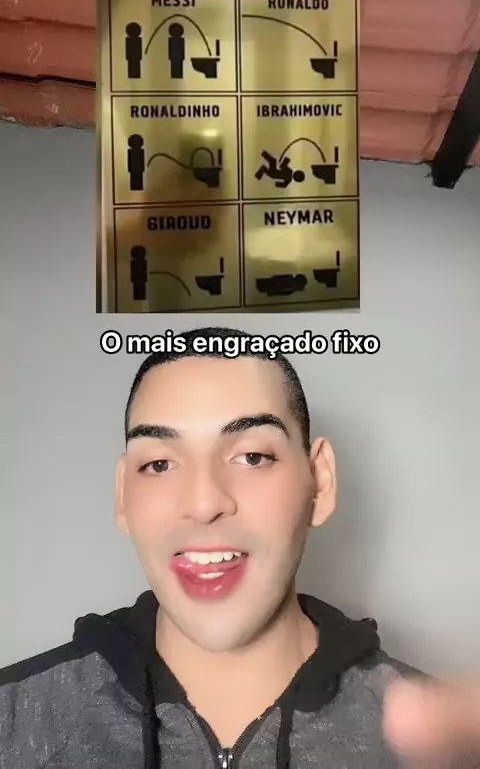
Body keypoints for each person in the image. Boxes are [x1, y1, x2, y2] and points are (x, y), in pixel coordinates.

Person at [0, 326, 478, 769]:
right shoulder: (15, 722)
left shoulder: (444, 744)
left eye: (252, 456)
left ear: (320, 481)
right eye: (159, 464)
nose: (204, 502)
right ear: (123, 495)